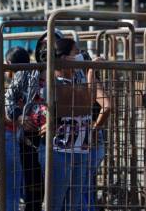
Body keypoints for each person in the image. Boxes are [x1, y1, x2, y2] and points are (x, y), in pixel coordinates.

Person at [36, 38, 111, 211]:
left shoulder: (77, 76)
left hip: (80, 149)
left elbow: (89, 102)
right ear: (63, 58)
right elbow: (80, 102)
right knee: (55, 202)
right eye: (75, 53)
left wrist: (90, 71)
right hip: (60, 151)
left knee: (74, 204)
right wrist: (91, 72)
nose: (79, 56)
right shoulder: (52, 82)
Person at [4, 46, 30, 211]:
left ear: (9, 64)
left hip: (11, 133)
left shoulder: (14, 84)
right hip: (26, 136)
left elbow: (7, 116)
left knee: (11, 182)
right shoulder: (33, 78)